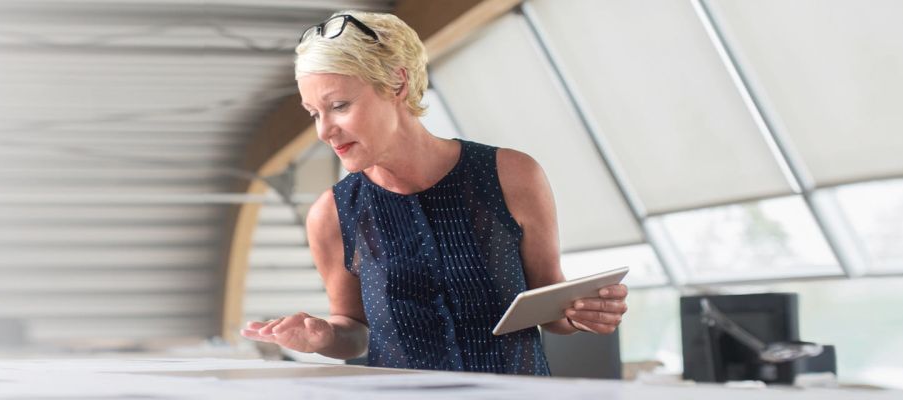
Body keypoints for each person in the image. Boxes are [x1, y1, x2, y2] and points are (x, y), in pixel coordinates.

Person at [239, 10, 628, 375]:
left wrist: (582, 313)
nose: (324, 131)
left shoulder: (512, 175)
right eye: (314, 113)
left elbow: (551, 305)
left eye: (339, 105)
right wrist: (324, 336)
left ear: (399, 83)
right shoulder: (332, 214)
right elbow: (354, 331)